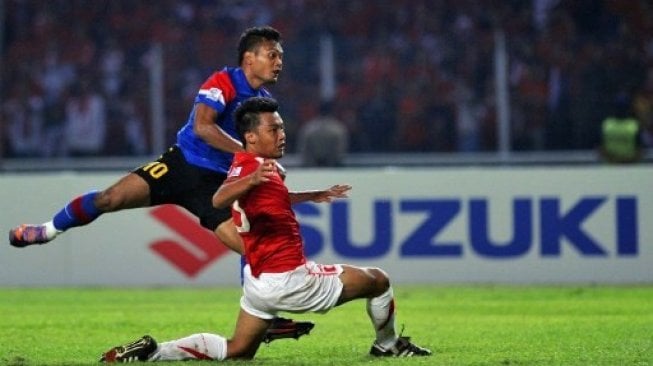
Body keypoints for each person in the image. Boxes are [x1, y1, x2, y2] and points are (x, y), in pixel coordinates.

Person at [9, 26, 312, 342]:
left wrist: (266, 164)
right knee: (109, 198)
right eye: (272, 55)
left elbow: (260, 150)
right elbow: (203, 127)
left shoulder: (264, 102)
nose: (279, 62)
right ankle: (45, 230)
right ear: (249, 59)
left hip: (215, 187)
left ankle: (266, 318)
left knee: (251, 247)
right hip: (180, 166)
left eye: (281, 56)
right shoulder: (222, 82)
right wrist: (252, 155)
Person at [99, 97, 431, 362]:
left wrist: (312, 195)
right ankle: (388, 346)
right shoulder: (251, 168)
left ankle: (154, 351)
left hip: (260, 282)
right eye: (274, 130)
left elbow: (268, 198)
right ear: (251, 137)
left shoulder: (255, 166)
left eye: (282, 128)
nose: (282, 134)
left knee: (237, 350)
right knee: (379, 280)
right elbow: (218, 199)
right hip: (290, 279)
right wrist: (250, 180)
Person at [297, 100, 348, 167]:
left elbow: (303, 151)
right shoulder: (338, 129)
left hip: (312, 169)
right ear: (332, 111)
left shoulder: (308, 128)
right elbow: (340, 152)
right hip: (332, 168)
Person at [599, 93, 644, 164]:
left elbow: (640, 150)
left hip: (630, 167)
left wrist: (623, 161)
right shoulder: (607, 125)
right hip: (610, 168)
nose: (621, 110)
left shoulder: (634, 126)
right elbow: (600, 148)